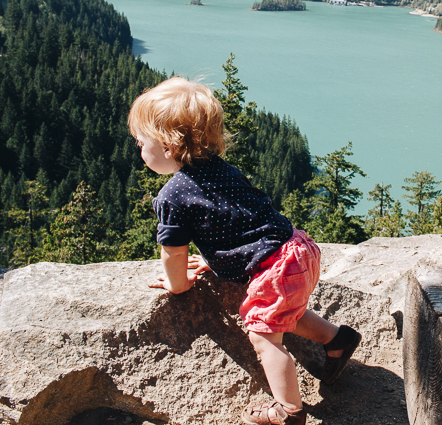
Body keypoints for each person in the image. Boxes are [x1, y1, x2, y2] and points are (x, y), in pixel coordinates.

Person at [128, 77, 361, 425]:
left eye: (141, 142)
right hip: (298, 247)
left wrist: (179, 286)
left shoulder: (172, 196)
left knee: (263, 335)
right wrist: (214, 259)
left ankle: (288, 411)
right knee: (281, 311)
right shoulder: (223, 170)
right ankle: (337, 340)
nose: (138, 149)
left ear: (167, 145)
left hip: (276, 265)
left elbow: (173, 254)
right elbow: (237, 222)